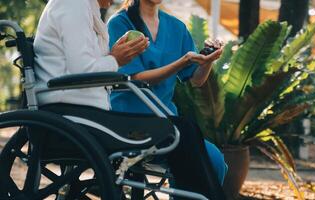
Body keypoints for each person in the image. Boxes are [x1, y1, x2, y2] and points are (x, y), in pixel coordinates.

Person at [108, 0, 227, 196]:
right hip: (130, 121)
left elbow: (196, 80)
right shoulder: (120, 24)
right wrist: (182, 62)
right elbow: (135, 78)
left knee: (215, 160)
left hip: (167, 120)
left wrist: (207, 62)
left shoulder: (176, 27)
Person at [34, 0, 149, 109]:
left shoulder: (85, 7)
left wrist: (115, 55)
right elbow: (82, 70)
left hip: (81, 105)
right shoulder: (74, 5)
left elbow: (85, 65)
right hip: (69, 107)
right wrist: (115, 59)